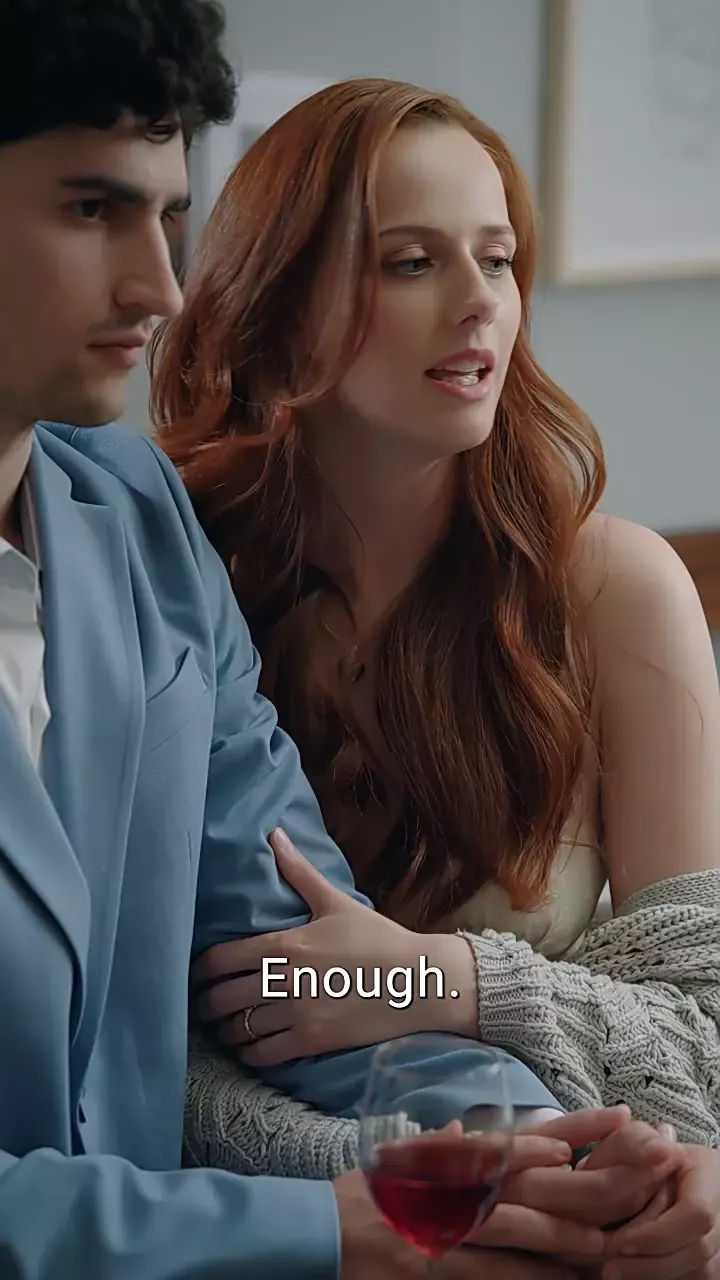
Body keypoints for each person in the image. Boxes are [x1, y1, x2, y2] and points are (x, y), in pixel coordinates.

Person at [2, 7, 681, 1280]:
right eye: (93, 210)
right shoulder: (214, 539)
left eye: (500, 259)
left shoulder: (135, 525)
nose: (157, 284)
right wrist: (357, 1212)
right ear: (278, 306)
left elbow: (306, 957)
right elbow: (226, 1031)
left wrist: (528, 1154)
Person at [152, 77, 720, 1274]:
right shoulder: (175, 587)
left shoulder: (614, 592)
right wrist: (409, 1185)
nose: (479, 304)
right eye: (412, 263)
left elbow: (705, 1042)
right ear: (278, 307)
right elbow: (125, 1055)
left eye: (498, 259)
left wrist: (439, 976)